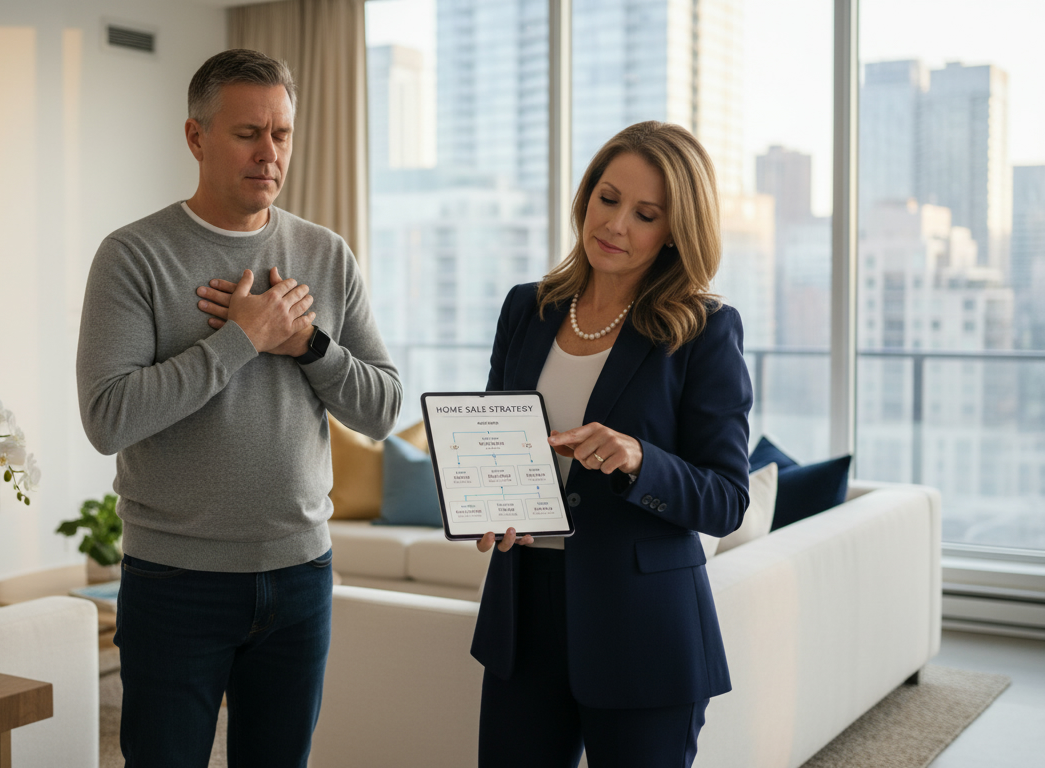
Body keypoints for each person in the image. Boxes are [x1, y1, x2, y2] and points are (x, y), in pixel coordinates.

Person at [76, 49, 401, 768]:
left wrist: (308, 343)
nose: (269, 153)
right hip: (173, 582)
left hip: (301, 576)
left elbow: (383, 407)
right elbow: (108, 417)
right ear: (196, 138)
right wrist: (243, 339)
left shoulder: (326, 253)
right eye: (248, 133)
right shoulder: (134, 256)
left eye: (281, 134)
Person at [471, 121, 752, 768]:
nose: (616, 224)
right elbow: (498, 437)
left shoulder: (704, 331)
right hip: (524, 615)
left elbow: (728, 499)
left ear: (676, 230)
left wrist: (638, 460)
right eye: (607, 198)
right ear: (585, 198)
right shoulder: (527, 308)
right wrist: (488, 500)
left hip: (643, 630)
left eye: (645, 214)